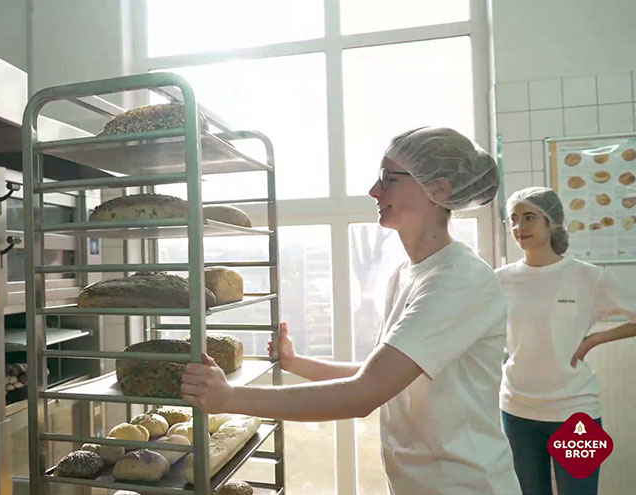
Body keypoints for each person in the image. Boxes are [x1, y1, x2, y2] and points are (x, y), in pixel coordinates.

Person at [181, 127, 521, 495]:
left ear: (438, 190)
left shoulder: (459, 280)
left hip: (466, 486)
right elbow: (384, 374)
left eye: (388, 179)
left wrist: (229, 399)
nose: (374, 191)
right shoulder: (406, 274)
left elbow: (365, 393)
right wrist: (297, 363)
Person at [496, 187, 636, 495]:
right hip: (517, 410)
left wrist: (595, 339)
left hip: (576, 413)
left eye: (530, 217)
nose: (520, 227)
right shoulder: (500, 280)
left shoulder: (587, 277)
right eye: (514, 219)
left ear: (552, 221)